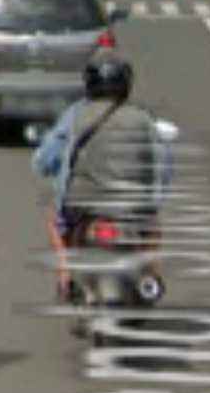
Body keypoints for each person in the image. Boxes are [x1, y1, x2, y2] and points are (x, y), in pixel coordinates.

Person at [33, 53, 172, 298]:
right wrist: (152, 201)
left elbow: (45, 159)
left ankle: (66, 277)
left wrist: (51, 170)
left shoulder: (76, 115)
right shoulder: (142, 118)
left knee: (55, 222)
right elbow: (163, 165)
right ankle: (150, 277)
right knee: (152, 225)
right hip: (132, 207)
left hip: (82, 207)